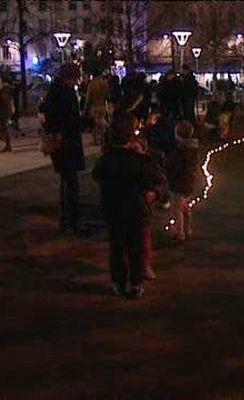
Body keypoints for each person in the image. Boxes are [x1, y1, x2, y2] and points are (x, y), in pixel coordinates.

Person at [92, 110, 166, 298]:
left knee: (116, 247)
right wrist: (154, 192)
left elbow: (97, 175)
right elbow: (155, 178)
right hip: (136, 209)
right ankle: (135, 282)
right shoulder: (138, 160)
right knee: (136, 247)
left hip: (113, 209)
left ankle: (118, 281)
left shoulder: (106, 160)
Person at [43, 63, 85, 234]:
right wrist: (86, 121)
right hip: (67, 143)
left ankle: (66, 220)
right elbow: (71, 119)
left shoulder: (54, 92)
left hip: (61, 142)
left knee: (66, 182)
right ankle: (72, 222)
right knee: (71, 184)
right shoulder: (65, 94)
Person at [166, 120, 200, 242]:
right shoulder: (192, 148)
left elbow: (175, 165)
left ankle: (180, 233)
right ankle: (187, 229)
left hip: (179, 182)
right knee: (185, 207)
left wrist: (168, 168)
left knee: (177, 209)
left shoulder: (180, 150)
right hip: (189, 181)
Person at [85, 69, 110, 146]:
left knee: (94, 124)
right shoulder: (104, 83)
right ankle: (103, 139)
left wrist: (86, 107)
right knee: (102, 122)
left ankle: (96, 140)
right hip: (102, 105)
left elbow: (88, 97)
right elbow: (108, 95)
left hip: (94, 106)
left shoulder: (92, 84)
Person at [0, 75, 14, 152]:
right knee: (3, 127)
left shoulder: (5, 89)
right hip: (3, 110)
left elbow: (5, 101)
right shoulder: (4, 89)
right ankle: (7, 145)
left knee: (4, 127)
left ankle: (8, 145)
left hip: (3, 111)